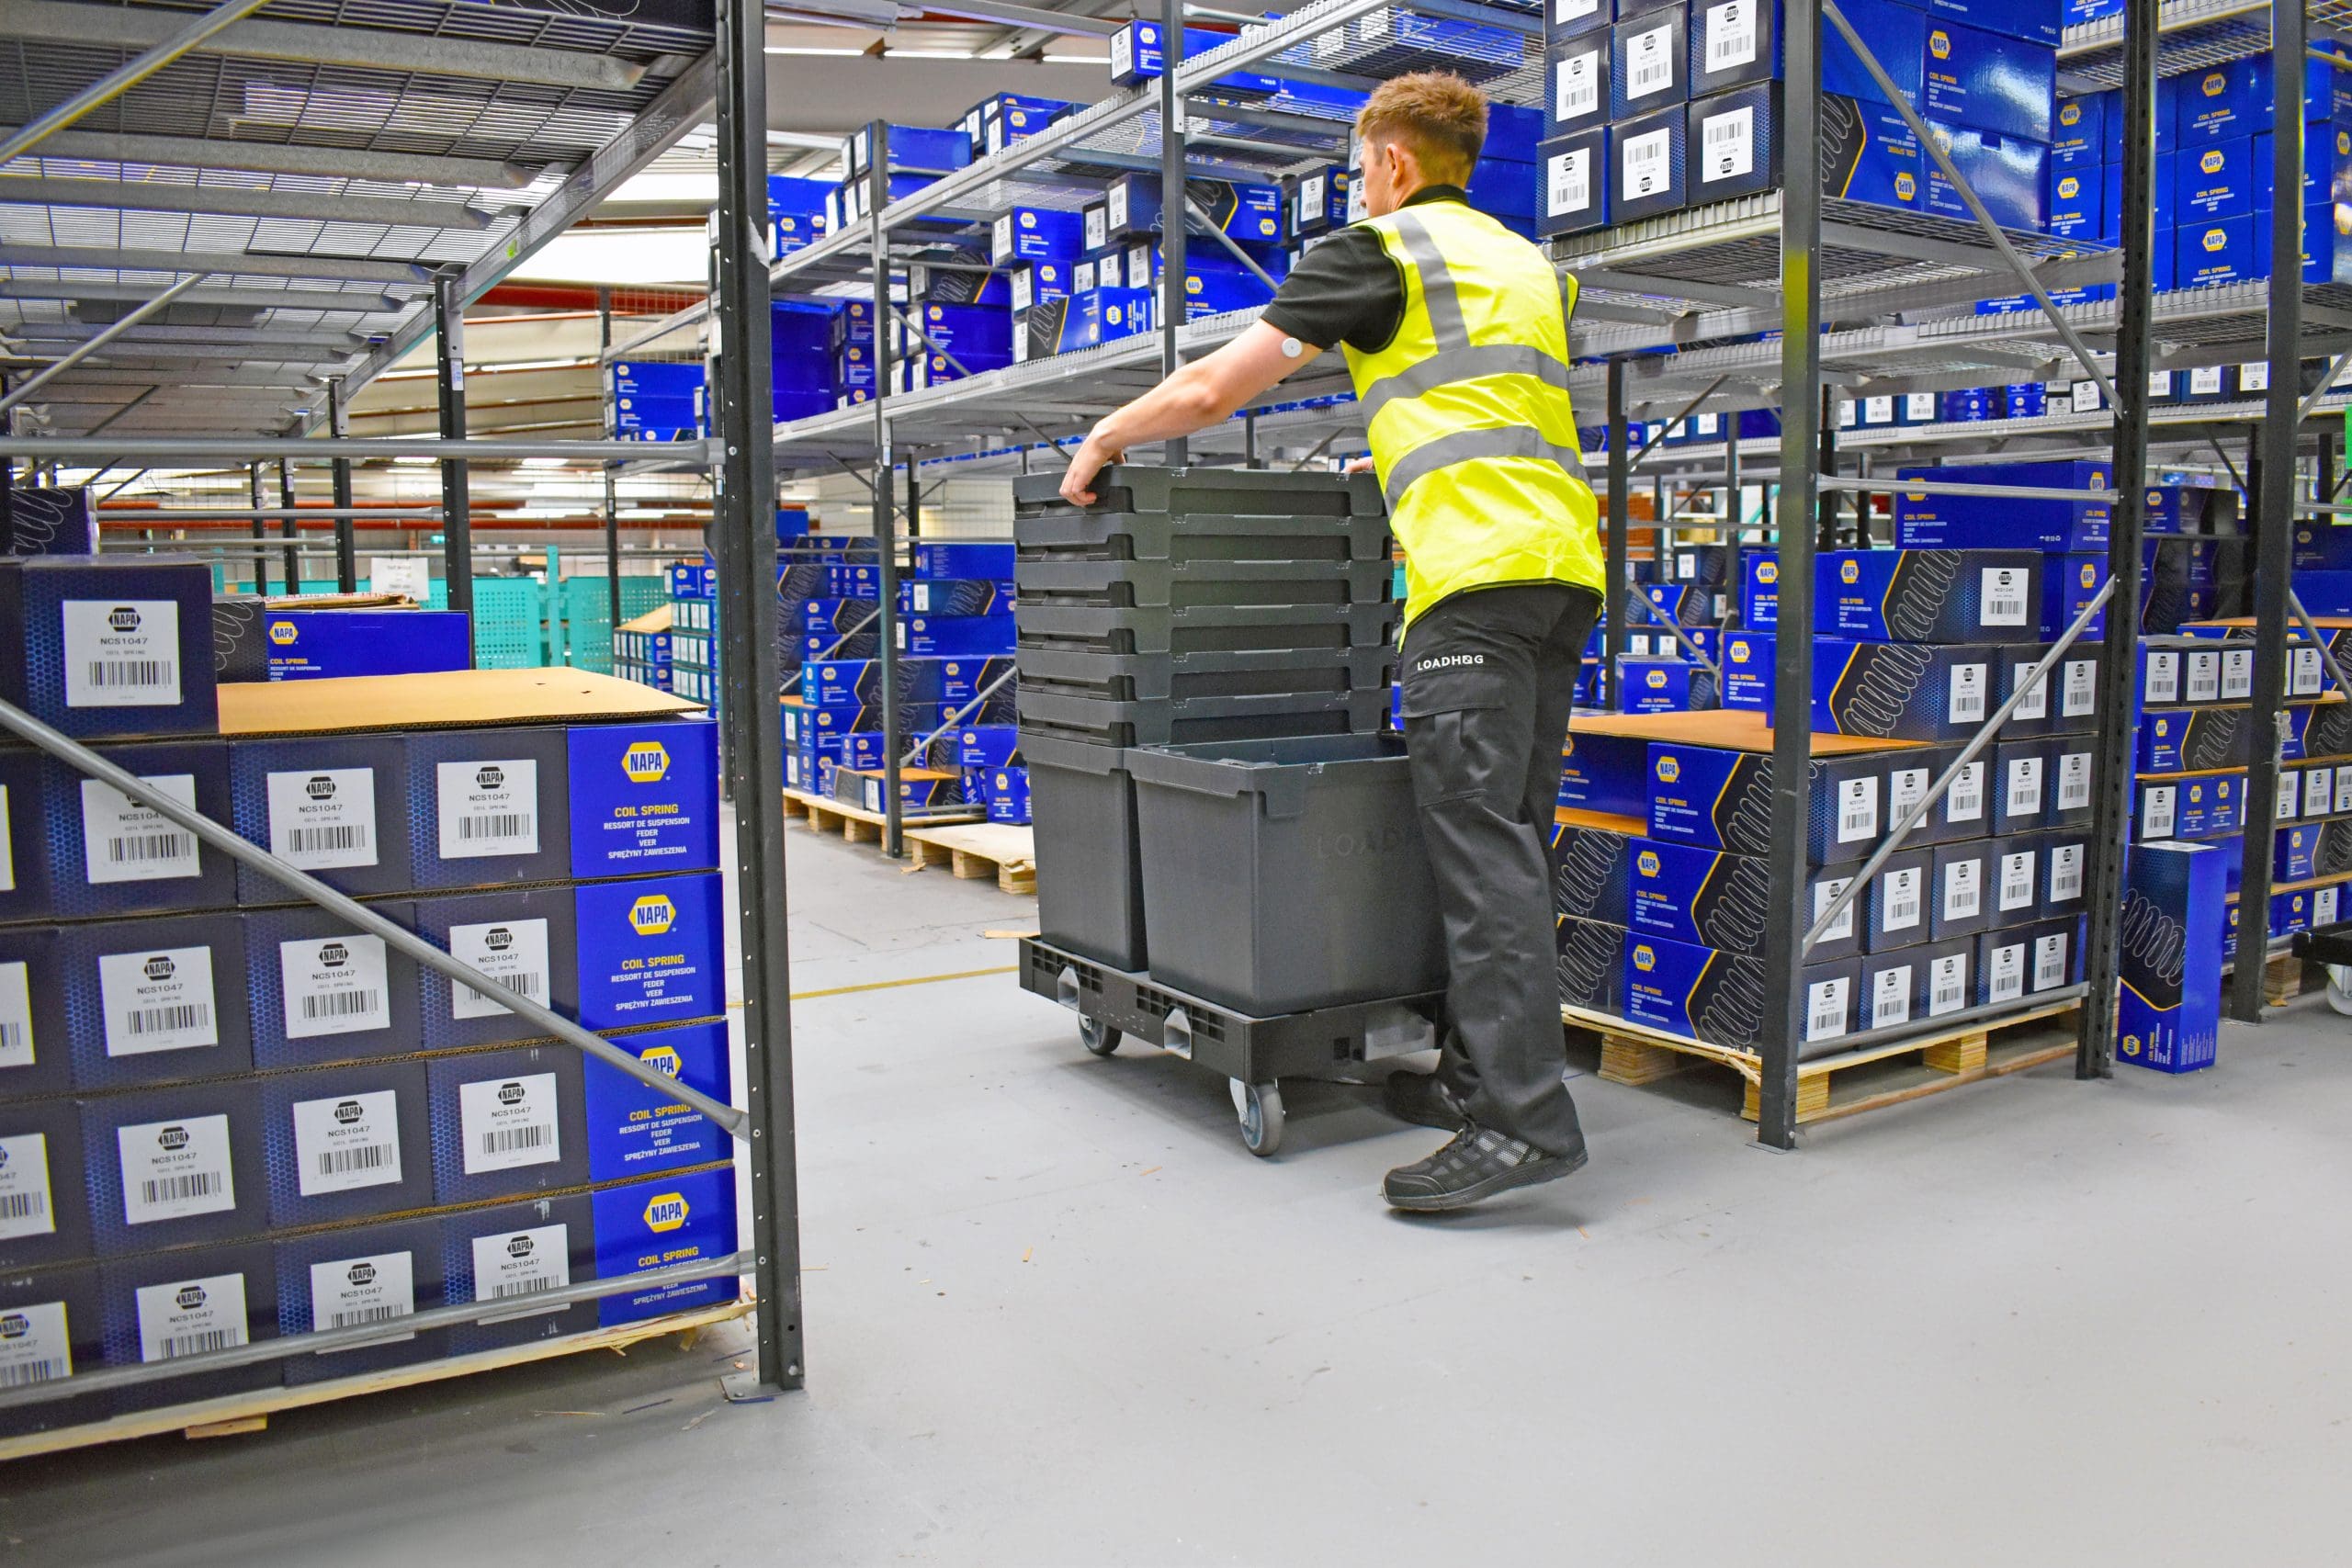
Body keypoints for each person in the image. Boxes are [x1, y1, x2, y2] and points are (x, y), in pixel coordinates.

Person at [1058, 71, 1605, 1213]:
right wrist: (1393, 459)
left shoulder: (1380, 249)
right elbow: (1497, 409)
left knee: (1480, 853)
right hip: (1559, 574)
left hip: (1470, 588)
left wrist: (1106, 433)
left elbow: (1216, 389)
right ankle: (1475, 1077)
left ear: (1392, 163)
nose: (1362, 185)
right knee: (1513, 839)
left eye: (1362, 167)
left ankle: (1521, 1123)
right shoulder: (1523, 265)